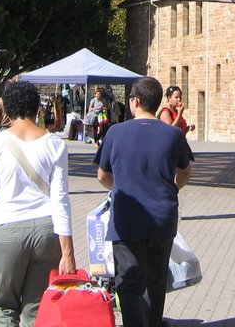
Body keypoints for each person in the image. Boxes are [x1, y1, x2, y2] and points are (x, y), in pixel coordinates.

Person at [0, 81, 76, 327]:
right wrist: (68, 252)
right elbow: (61, 200)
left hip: (8, 231)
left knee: (5, 308)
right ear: (37, 108)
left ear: (6, 109)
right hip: (47, 233)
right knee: (36, 309)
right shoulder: (55, 144)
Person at [96, 76, 192, 327]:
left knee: (128, 282)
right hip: (162, 217)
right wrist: (173, 188)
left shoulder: (115, 132)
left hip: (127, 217)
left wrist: (119, 187)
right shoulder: (173, 135)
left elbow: (103, 176)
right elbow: (184, 172)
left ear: (136, 101)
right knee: (156, 280)